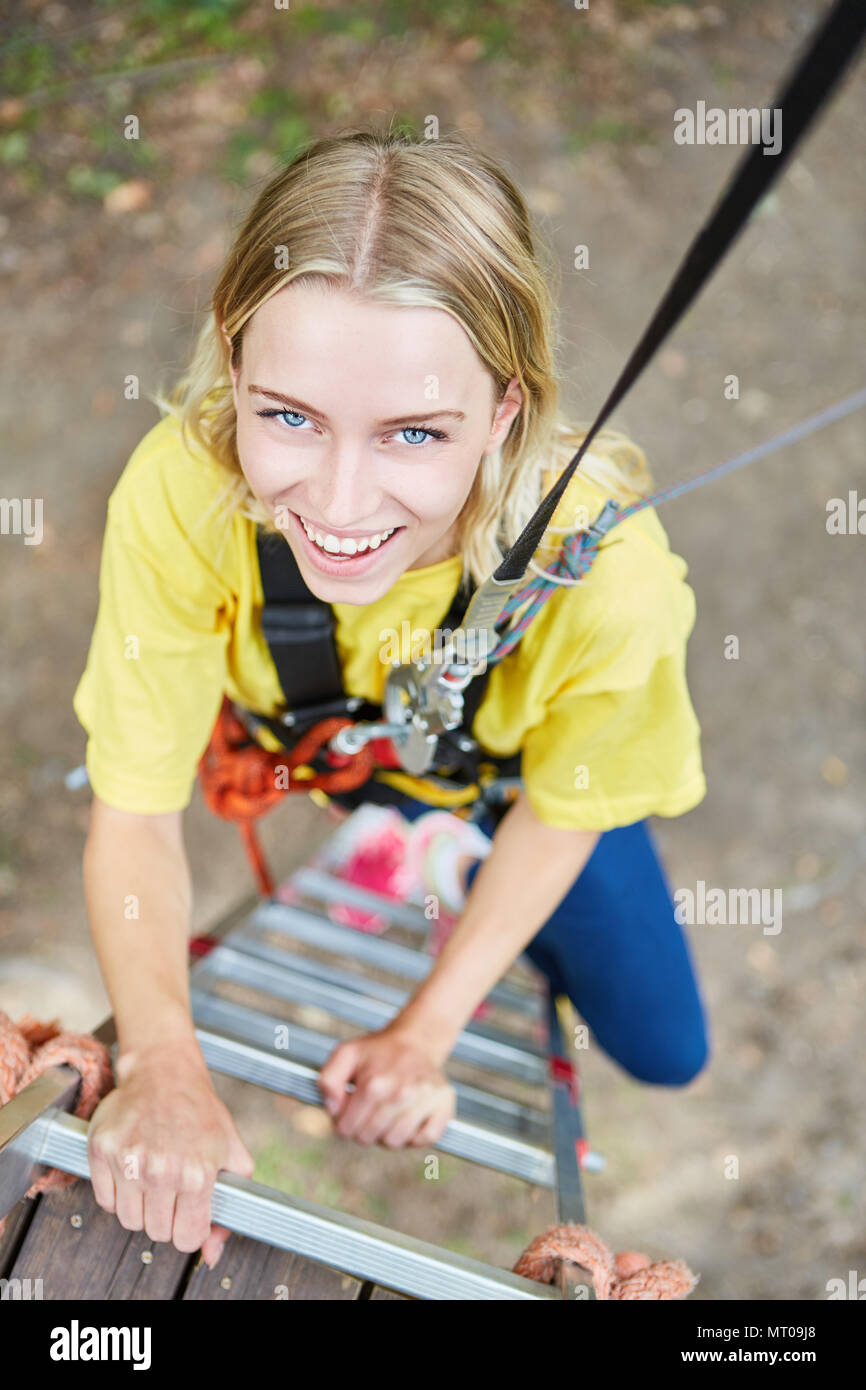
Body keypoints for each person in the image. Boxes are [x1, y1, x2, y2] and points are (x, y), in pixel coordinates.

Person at [74, 126, 709, 1271]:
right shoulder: (184, 494)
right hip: (345, 764)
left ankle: (459, 879)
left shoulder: (604, 584)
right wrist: (162, 1056)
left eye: (414, 432)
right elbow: (133, 807)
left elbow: (565, 809)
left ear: (505, 412)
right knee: (405, 840)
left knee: (661, 1047)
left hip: (523, 789)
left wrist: (430, 1024)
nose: (338, 503)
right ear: (231, 361)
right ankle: (415, 853)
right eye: (286, 416)